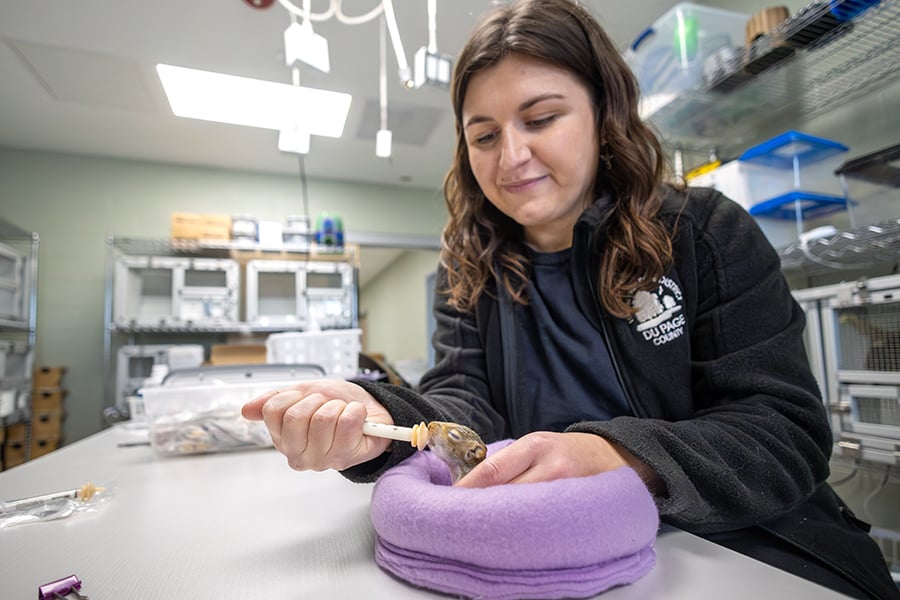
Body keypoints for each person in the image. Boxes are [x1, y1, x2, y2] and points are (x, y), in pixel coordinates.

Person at [242, 1, 899, 598]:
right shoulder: (468, 270)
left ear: (603, 115)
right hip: (555, 563)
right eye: (485, 135)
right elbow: (461, 409)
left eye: (542, 118)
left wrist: (620, 455)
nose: (512, 157)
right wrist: (377, 417)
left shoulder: (706, 234)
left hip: (739, 548)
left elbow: (784, 435)